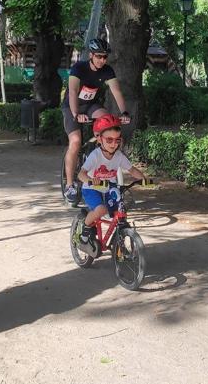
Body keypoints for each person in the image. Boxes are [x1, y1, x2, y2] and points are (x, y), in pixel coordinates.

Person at [62, 38, 131, 202]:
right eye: (99, 56)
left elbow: (116, 91)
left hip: (91, 106)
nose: (102, 60)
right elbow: (72, 91)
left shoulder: (107, 70)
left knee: (109, 122)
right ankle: (70, 185)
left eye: (105, 57)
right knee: (76, 141)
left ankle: (103, 167)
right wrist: (75, 113)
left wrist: (125, 112)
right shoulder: (79, 68)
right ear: (91, 55)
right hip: (72, 107)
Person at [76, 114, 147, 256]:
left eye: (117, 140)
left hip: (109, 188)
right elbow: (81, 174)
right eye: (109, 140)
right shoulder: (95, 156)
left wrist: (144, 179)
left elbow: (132, 169)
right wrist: (90, 180)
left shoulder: (119, 156)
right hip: (91, 189)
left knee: (121, 212)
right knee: (101, 210)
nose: (114, 144)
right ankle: (83, 235)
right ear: (100, 139)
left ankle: (119, 239)